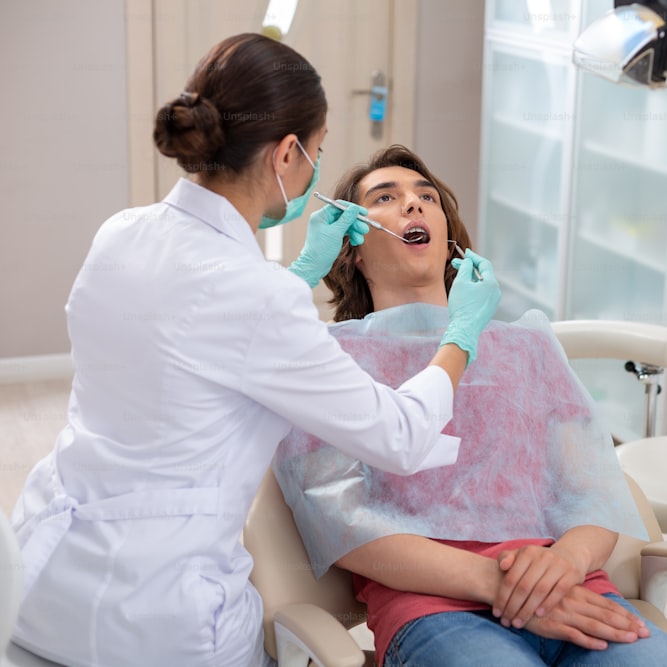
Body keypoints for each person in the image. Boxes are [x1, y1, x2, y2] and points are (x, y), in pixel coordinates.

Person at [10, 35, 498, 667]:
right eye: (319, 151)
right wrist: (462, 337)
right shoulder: (263, 300)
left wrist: (296, 273)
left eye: (424, 194)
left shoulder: (121, 233)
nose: (408, 203)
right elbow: (400, 437)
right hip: (157, 619)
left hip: (39, 576)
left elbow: (203, 333)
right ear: (288, 154)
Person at [273, 145, 667, 666]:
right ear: (353, 246)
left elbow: (592, 489)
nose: (414, 205)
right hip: (434, 610)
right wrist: (500, 585)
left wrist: (567, 560)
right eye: (387, 197)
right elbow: (344, 522)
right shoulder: (329, 357)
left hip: (572, 593)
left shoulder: (527, 347)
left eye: (427, 197)